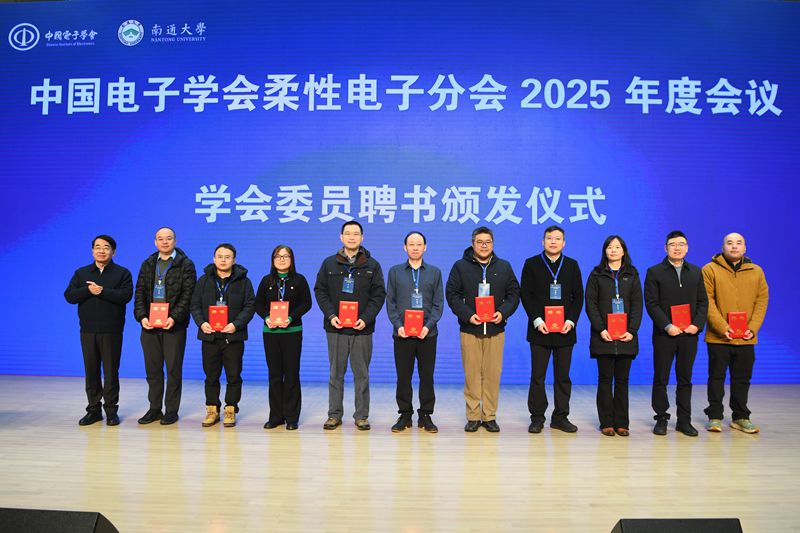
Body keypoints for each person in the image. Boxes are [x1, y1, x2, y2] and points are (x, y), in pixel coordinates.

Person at [446, 226, 520, 433]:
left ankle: (489, 416)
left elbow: (514, 294)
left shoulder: (504, 267)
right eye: (480, 242)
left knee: (492, 375)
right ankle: (472, 416)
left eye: (488, 242)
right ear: (473, 244)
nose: (484, 246)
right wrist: (468, 315)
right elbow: (452, 294)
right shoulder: (460, 266)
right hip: (470, 329)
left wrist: (502, 313)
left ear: (493, 244)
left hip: (496, 329)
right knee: (471, 375)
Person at [314, 221, 386, 431]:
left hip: (362, 329)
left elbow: (379, 295)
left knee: (361, 374)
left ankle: (361, 416)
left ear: (362, 237)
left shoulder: (372, 265)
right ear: (341, 237)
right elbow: (320, 291)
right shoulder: (329, 264)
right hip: (335, 327)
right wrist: (330, 315)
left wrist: (366, 318)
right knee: (335, 373)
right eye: (348, 233)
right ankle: (334, 415)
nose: (352, 237)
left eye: (356, 234)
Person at [702, 233, 768, 434]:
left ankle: (740, 417)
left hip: (746, 337)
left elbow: (761, 301)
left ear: (745, 248)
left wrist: (752, 328)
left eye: (739, 243)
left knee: (742, 378)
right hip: (719, 337)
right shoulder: (710, 269)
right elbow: (707, 301)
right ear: (723, 247)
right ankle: (715, 416)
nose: (734, 246)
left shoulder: (756, 271)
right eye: (729, 243)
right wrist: (723, 328)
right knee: (716, 378)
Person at [520, 225, 583, 434]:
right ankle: (537, 417)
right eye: (549, 238)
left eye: (557, 238)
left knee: (563, 376)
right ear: (543, 242)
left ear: (564, 243)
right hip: (540, 329)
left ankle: (560, 417)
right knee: (538, 376)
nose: (553, 242)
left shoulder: (572, 265)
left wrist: (571, 321)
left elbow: (578, 296)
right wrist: (537, 320)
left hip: (565, 330)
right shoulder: (531, 264)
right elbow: (526, 294)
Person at [644, 230, 708, 437]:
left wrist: (697, 325)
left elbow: (703, 302)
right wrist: (667, 325)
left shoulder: (696, 272)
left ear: (687, 248)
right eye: (672, 244)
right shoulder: (654, 272)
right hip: (664, 334)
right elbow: (651, 303)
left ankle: (684, 421)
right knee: (661, 378)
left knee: (685, 379)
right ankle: (661, 418)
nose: (677, 248)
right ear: (665, 248)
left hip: (689, 334)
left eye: (681, 244)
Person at [64, 235, 133, 426]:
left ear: (113, 252)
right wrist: (88, 290)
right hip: (88, 330)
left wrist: (102, 291)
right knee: (91, 370)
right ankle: (93, 410)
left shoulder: (122, 273)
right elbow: (69, 296)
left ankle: (111, 411)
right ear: (92, 250)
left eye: (106, 247)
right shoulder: (82, 273)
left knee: (111, 371)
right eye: (97, 247)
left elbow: (126, 296)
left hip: (112, 330)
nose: (101, 251)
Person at [133, 227, 196, 426]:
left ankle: (171, 410)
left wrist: (174, 317)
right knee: (153, 370)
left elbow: (188, 294)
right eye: (160, 239)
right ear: (155, 242)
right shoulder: (148, 263)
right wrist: (141, 316)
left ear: (175, 241)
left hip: (173, 326)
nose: (165, 242)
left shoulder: (185, 264)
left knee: (173, 370)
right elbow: (139, 292)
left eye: (169, 238)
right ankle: (154, 409)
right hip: (149, 324)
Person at [190, 244, 255, 428]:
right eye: (220, 256)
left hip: (233, 337)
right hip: (209, 336)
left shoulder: (244, 281)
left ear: (234, 260)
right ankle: (212, 410)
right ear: (214, 259)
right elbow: (194, 304)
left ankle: (230, 409)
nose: (223, 260)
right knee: (211, 376)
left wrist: (236, 324)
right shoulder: (204, 280)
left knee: (234, 375)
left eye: (227, 257)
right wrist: (201, 323)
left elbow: (250, 306)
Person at [385, 231, 444, 433]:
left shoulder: (434, 272)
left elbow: (438, 304)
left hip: (428, 334)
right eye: (411, 244)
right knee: (403, 376)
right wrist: (398, 325)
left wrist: (428, 326)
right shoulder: (395, 272)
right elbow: (390, 302)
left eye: (419, 244)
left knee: (427, 375)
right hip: (402, 333)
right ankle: (405, 414)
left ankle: (425, 414)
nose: (415, 247)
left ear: (425, 247)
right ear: (405, 247)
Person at [584, 235, 643, 436]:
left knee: (622, 381)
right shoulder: (596, 274)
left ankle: (622, 423)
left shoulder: (632, 274)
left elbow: (637, 305)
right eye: (609, 247)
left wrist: (631, 331)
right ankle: (606, 422)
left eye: (617, 247)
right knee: (605, 380)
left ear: (623, 251)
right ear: (605, 251)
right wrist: (601, 329)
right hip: (603, 337)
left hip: (626, 337)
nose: (613, 250)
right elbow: (590, 304)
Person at [254, 245, 312, 431]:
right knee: (275, 375)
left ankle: (292, 417)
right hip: (271, 333)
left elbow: (306, 303)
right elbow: (258, 304)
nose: (281, 259)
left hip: (292, 332)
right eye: (278, 256)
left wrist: (290, 318)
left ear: (292, 259)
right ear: (272, 260)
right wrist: (266, 317)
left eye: (286, 256)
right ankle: (276, 416)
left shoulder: (299, 280)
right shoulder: (266, 281)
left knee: (292, 374)